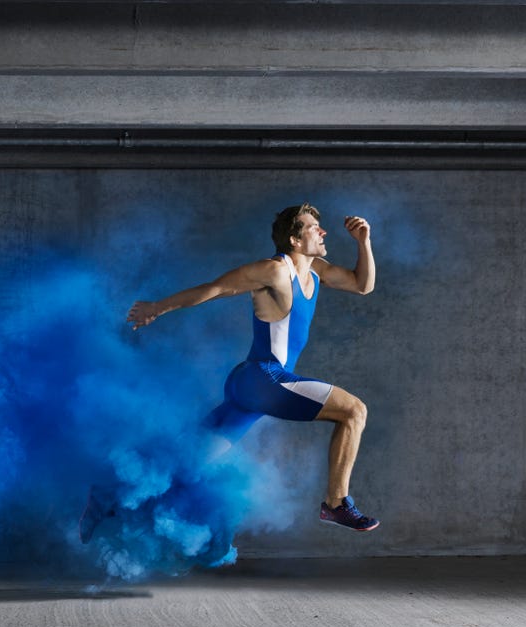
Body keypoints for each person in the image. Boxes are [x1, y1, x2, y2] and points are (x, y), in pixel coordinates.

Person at [79, 203, 379, 544]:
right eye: (314, 227)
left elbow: (362, 285)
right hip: (263, 379)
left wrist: (363, 241)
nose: (323, 232)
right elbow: (217, 288)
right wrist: (156, 308)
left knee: (188, 463)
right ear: (295, 240)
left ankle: (108, 496)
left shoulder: (317, 271)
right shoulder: (275, 271)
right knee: (354, 410)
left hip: (251, 389)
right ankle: (336, 503)